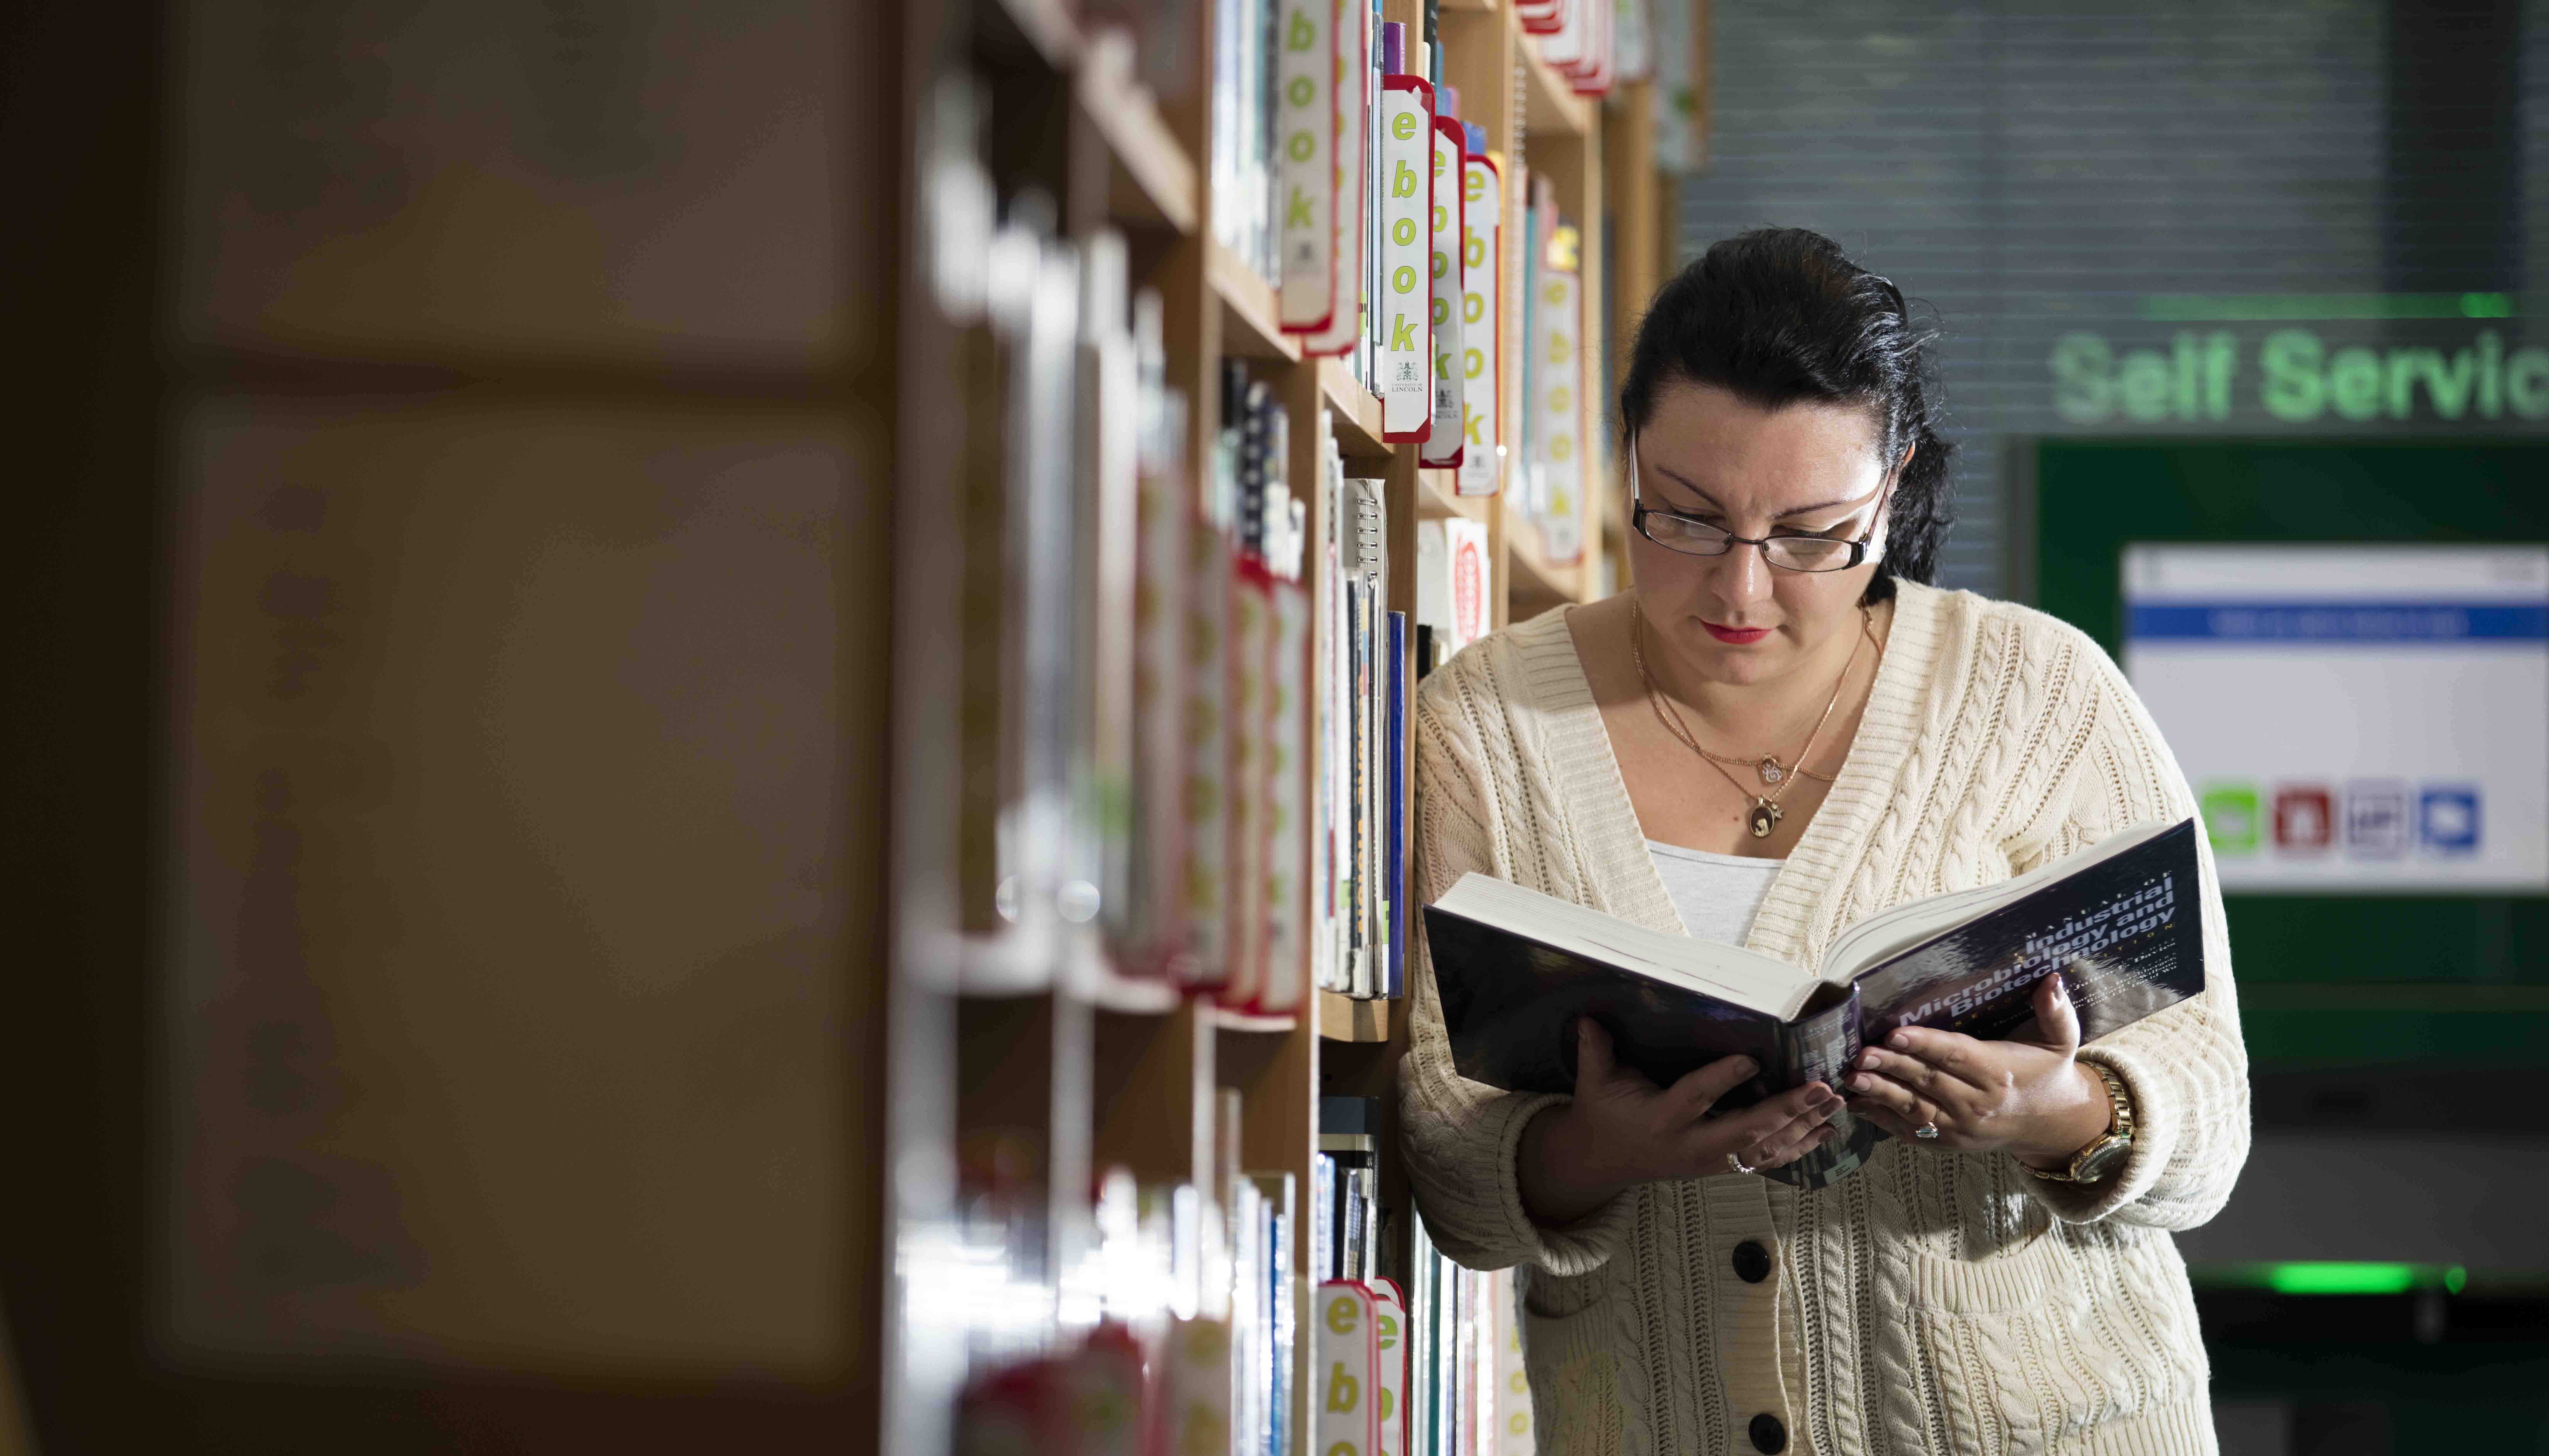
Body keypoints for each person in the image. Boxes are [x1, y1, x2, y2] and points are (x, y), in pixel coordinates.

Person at [1399, 228, 2249, 1456]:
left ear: (1892, 487)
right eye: (1683, 518)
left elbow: (2210, 1115)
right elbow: (1442, 1139)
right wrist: (1594, 1150)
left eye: (1809, 534)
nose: (1740, 590)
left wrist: (2059, 1107)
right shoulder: (1485, 725)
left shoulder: (2046, 693)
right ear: (1625, 453)